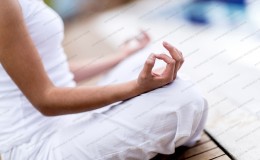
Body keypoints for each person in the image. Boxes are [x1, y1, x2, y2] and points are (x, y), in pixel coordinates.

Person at [0, 0, 208, 160]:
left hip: (73, 119)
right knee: (183, 98)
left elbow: (50, 71)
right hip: (38, 146)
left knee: (151, 55)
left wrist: (120, 56)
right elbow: (46, 99)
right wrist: (137, 87)